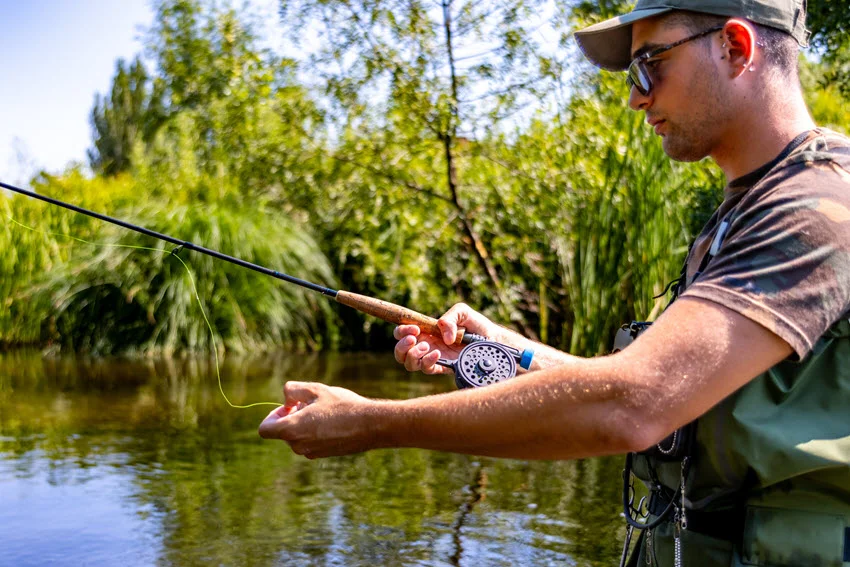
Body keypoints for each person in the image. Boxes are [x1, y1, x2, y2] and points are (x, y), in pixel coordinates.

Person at [259, 0, 850, 564]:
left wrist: (371, 422)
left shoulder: (817, 206)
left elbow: (634, 403)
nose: (636, 98)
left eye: (651, 64)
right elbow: (653, 391)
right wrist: (497, 351)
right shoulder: (750, 207)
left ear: (734, 47)